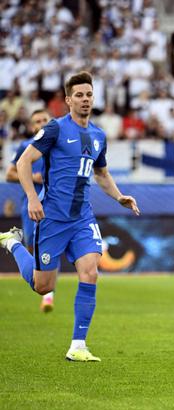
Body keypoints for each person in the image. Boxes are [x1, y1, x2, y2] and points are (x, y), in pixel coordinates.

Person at [0, 71, 141, 362]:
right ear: (67, 100)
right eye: (79, 95)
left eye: (89, 94)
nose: (85, 99)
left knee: (91, 271)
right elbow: (24, 162)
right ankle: (12, 243)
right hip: (51, 217)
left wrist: (119, 196)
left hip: (82, 218)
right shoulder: (54, 129)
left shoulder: (99, 135)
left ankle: (78, 345)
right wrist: (30, 198)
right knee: (44, 287)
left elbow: (101, 173)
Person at [5, 109, 55, 312]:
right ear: (32, 126)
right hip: (32, 206)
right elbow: (9, 174)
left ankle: (49, 295)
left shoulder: (58, 145)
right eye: (37, 121)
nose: (41, 123)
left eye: (45, 120)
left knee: (52, 247)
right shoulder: (27, 147)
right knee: (34, 249)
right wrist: (31, 179)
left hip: (55, 205)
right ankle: (12, 243)